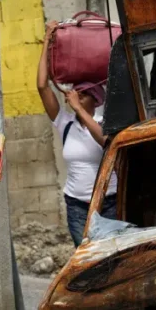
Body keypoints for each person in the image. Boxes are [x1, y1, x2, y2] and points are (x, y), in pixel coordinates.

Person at [37, 21, 118, 246]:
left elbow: (104, 141)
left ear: (95, 99)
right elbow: (43, 87)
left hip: (109, 203)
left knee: (110, 256)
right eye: (76, 93)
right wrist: (46, 40)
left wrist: (79, 109)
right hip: (76, 206)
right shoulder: (66, 124)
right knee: (83, 260)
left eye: (83, 95)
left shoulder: (106, 122)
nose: (76, 97)